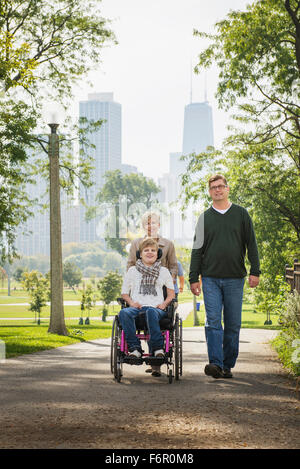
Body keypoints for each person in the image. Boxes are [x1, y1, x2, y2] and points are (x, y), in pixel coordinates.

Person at [189, 174, 260, 379]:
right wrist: (194, 277)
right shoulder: (205, 218)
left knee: (232, 324)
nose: (217, 190)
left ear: (227, 189)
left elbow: (251, 245)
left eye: (221, 186)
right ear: (210, 192)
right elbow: (197, 250)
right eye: (213, 188)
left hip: (235, 278)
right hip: (210, 278)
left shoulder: (241, 214)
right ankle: (215, 364)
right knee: (212, 321)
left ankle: (227, 364)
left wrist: (255, 271)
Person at [127, 210, 178, 376]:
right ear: (143, 226)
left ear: (159, 225)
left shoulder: (168, 244)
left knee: (153, 315)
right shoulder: (136, 244)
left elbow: (173, 266)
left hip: (161, 288)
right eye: (147, 223)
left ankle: (155, 363)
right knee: (143, 313)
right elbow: (130, 265)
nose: (150, 226)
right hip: (139, 288)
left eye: (153, 222)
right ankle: (145, 353)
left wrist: (167, 281)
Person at [120, 237, 175, 376]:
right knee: (124, 313)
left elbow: (171, 294)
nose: (149, 252)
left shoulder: (163, 271)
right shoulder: (132, 271)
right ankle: (135, 349)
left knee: (151, 311)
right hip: (137, 309)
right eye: (146, 250)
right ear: (140, 254)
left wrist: (163, 304)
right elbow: (124, 294)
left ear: (158, 254)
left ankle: (157, 349)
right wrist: (132, 303)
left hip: (156, 310)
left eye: (153, 250)